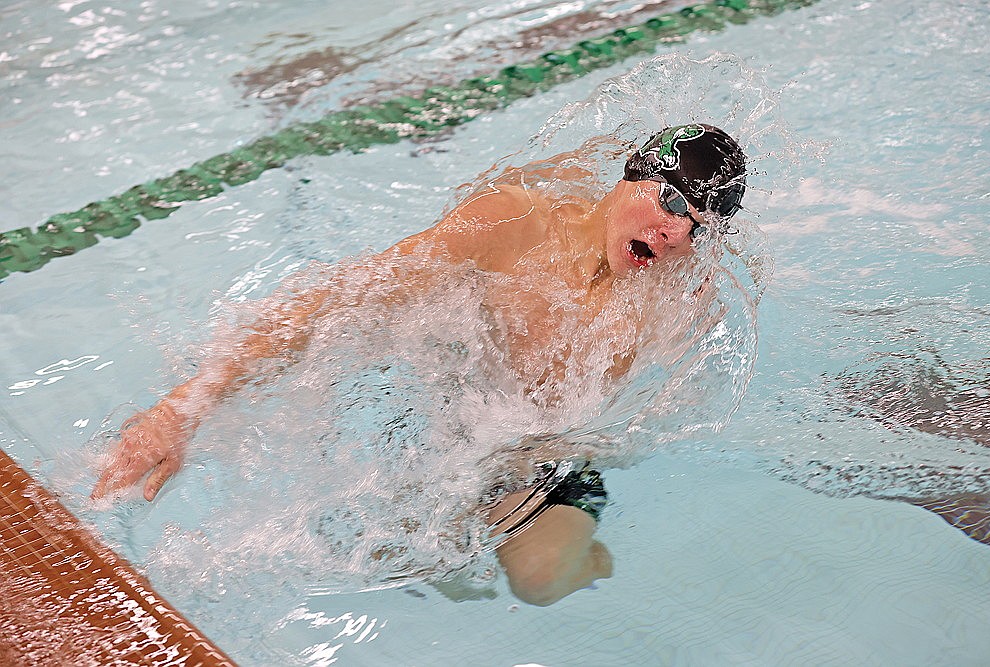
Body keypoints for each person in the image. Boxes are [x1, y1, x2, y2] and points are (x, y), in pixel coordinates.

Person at [92, 123, 749, 606]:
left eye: (696, 227)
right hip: (451, 422)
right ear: (631, 173)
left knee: (540, 578)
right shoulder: (513, 224)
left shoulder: (674, 291)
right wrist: (179, 410)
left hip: (548, 456)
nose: (673, 235)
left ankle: (588, 554)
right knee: (402, 562)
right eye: (668, 204)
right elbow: (333, 303)